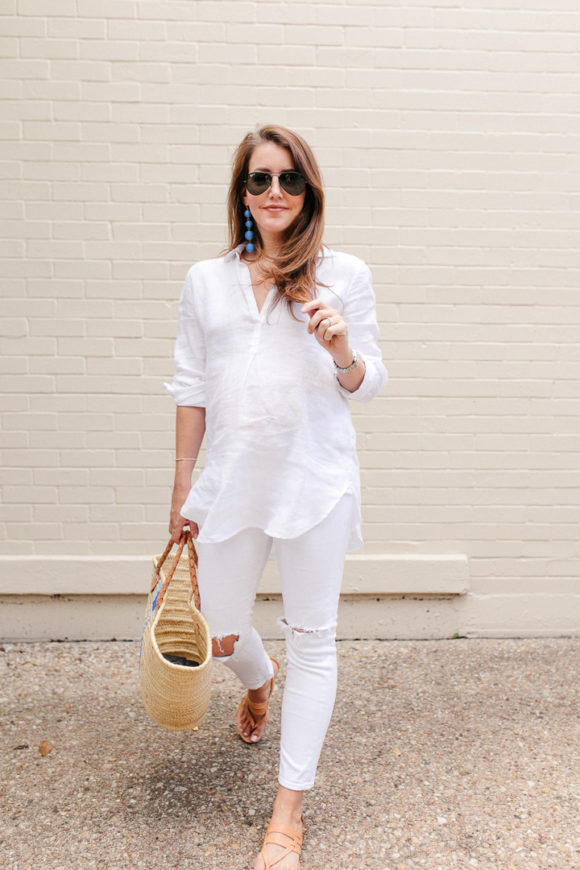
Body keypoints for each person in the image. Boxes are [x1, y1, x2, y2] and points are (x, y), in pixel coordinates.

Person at [165, 124, 388, 870]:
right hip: (230, 484)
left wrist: (343, 351)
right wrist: (183, 488)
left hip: (315, 484)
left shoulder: (343, 275)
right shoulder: (207, 280)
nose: (275, 193)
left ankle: (287, 817)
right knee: (220, 632)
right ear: (242, 195)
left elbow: (370, 383)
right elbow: (191, 389)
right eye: (260, 180)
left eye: (290, 180)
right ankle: (259, 683)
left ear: (309, 190)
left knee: (315, 639)